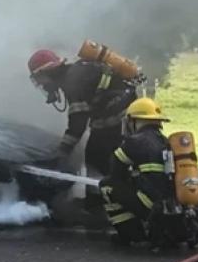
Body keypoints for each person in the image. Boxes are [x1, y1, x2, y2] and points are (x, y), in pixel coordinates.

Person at [27, 48, 137, 177]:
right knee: (97, 157)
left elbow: (78, 124)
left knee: (97, 159)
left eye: (40, 79)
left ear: (48, 72)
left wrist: (61, 151)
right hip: (122, 116)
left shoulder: (73, 82)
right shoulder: (75, 72)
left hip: (118, 121)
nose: (42, 85)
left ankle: (105, 193)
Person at [98, 98, 176, 245]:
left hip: (150, 204)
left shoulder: (135, 141)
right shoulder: (165, 141)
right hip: (172, 205)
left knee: (107, 185)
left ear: (134, 121)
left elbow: (114, 171)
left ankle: (131, 234)